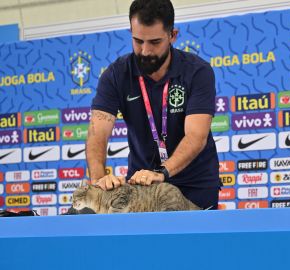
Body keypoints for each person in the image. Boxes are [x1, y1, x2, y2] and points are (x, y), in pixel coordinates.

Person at [86, 0, 220, 209]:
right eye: (138, 41)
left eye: (155, 42)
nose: (145, 51)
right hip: (142, 187)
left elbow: (196, 136)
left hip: (195, 187)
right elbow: (97, 133)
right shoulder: (115, 75)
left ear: (172, 35)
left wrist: (162, 173)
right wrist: (98, 180)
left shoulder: (197, 72)